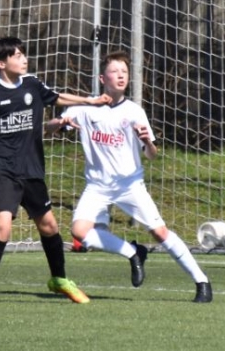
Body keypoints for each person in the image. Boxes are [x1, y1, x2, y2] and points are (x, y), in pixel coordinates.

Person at [46, 52, 213, 302]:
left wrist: (148, 141)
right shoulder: (83, 108)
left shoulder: (134, 111)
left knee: (159, 232)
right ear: (102, 78)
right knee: (79, 231)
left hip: (130, 185)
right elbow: (48, 128)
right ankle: (133, 252)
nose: (121, 75)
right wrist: (59, 123)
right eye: (115, 71)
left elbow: (151, 155)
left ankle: (202, 282)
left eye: (124, 71)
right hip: (97, 186)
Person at [0, 36, 111, 307]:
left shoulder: (31, 83)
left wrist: (92, 101)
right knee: (3, 226)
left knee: (49, 226)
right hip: (0, 167)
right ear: (1, 63)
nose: (24, 59)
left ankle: (59, 279)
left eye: (23, 54)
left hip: (30, 167)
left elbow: (58, 97)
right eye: (17, 56)